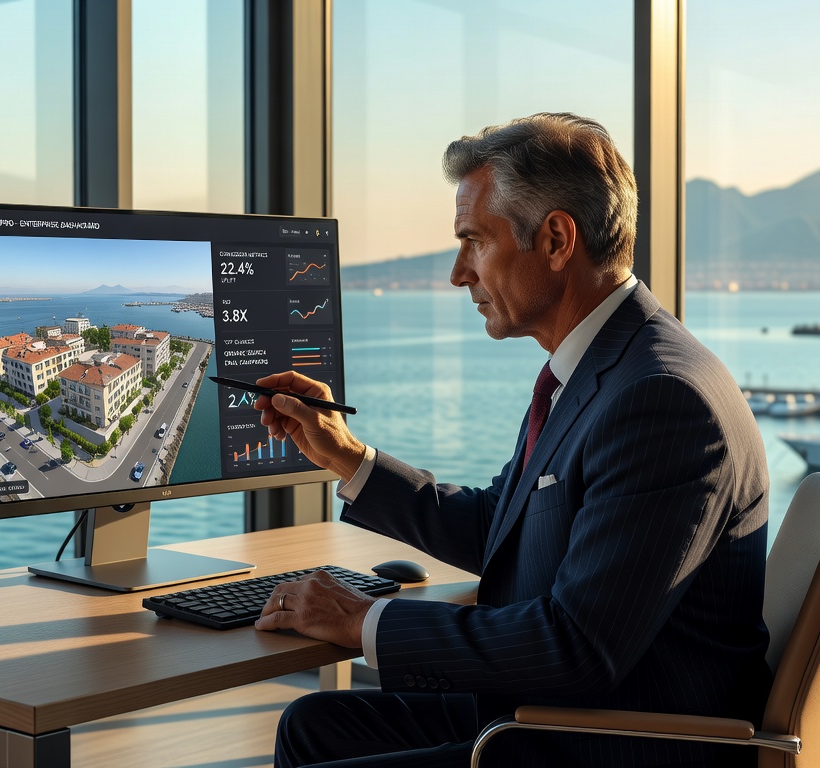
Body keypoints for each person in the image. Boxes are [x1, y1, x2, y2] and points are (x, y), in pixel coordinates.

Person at [251, 113, 771, 768]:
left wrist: (362, 621)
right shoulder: (603, 369)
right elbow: (502, 525)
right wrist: (348, 458)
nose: (458, 273)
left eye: (474, 241)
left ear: (555, 238)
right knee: (315, 725)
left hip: (614, 746)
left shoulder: (659, 399)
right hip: (566, 719)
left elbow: (576, 649)